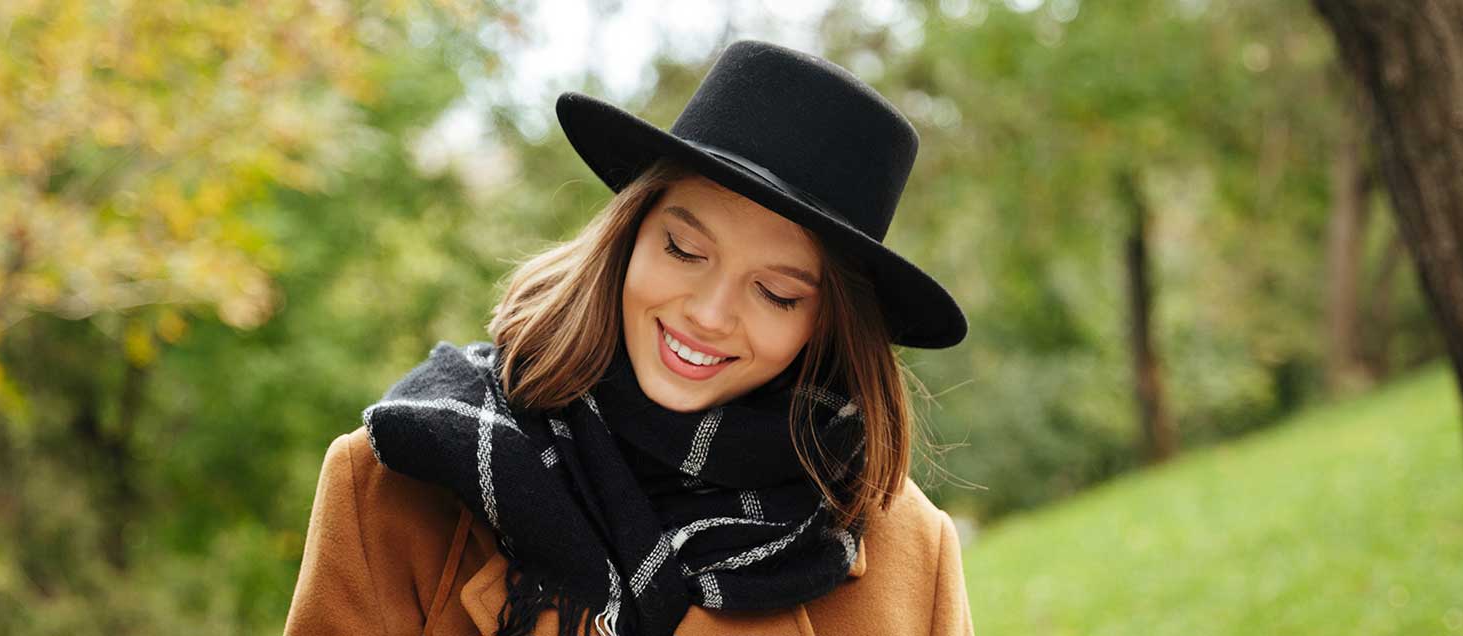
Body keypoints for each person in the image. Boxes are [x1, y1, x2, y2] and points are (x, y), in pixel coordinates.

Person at [283, 39, 972, 636]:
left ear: (826, 326)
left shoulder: (912, 552)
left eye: (776, 293)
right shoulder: (399, 481)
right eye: (683, 249)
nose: (709, 312)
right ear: (630, 235)